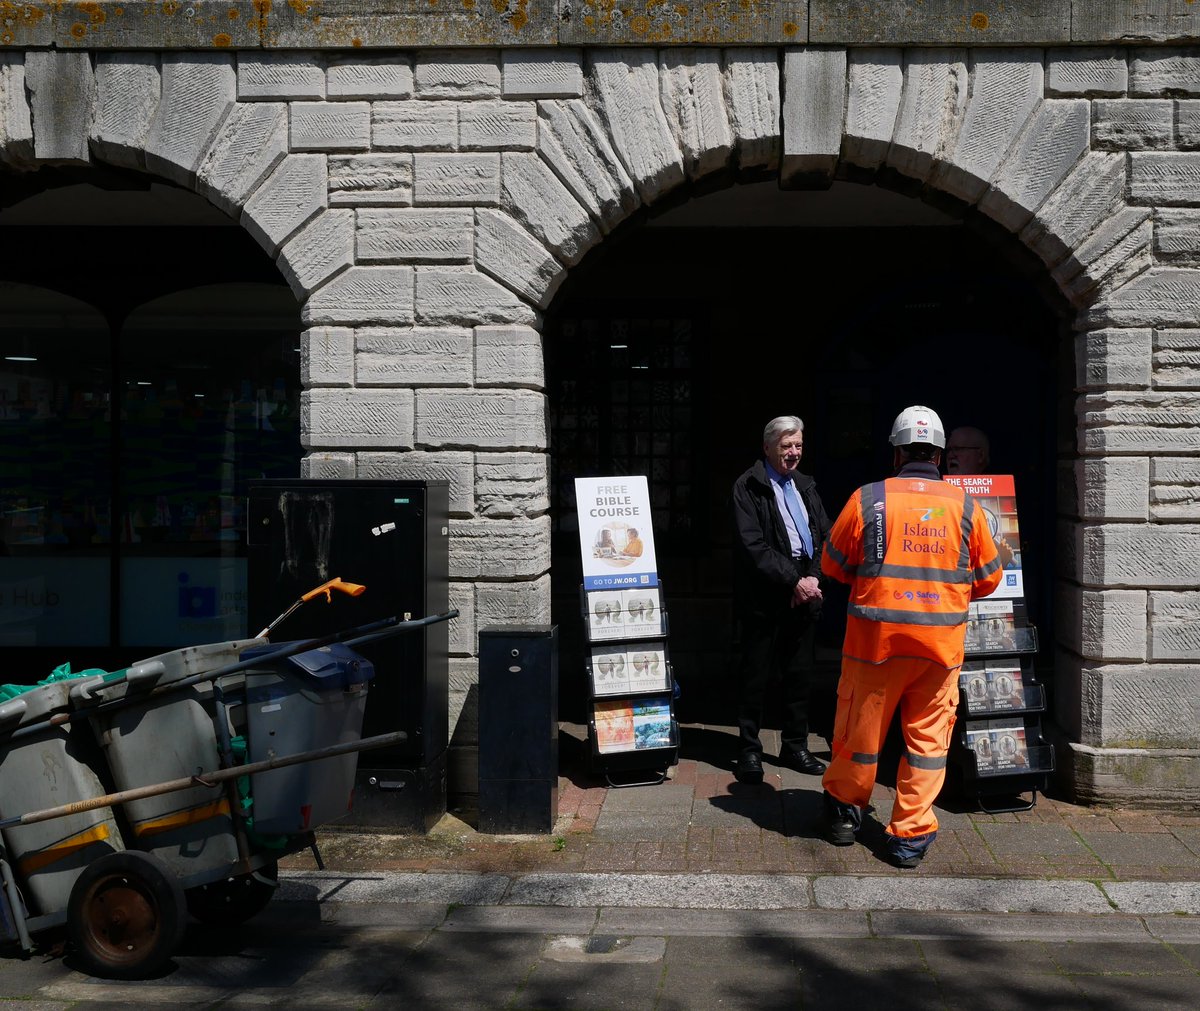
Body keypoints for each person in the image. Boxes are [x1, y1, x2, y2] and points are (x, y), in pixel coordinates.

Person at [819, 405, 1003, 868]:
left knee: (860, 735)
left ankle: (846, 815)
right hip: (939, 649)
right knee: (927, 744)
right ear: (939, 456)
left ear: (897, 453)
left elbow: (832, 565)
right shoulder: (965, 506)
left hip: (874, 646)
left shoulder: (868, 498)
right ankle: (909, 836)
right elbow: (989, 578)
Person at [731, 416, 833, 783]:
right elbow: (753, 546)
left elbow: (825, 535)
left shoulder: (806, 486)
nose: (793, 454)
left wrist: (813, 579)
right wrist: (795, 581)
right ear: (768, 447)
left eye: (798, 446)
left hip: (805, 595)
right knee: (755, 678)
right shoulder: (749, 486)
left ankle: (794, 746)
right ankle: (748, 750)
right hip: (766, 598)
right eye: (786, 446)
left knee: (799, 676)